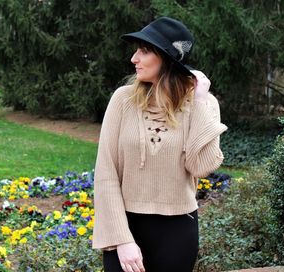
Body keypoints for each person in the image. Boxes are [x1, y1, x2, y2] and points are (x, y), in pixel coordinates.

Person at [92, 17, 228, 272]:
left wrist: (199, 102)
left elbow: (201, 166)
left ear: (166, 58)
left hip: (178, 231)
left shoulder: (203, 105)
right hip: (127, 226)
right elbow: (106, 174)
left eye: (143, 51)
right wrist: (122, 239)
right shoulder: (123, 100)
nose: (134, 58)